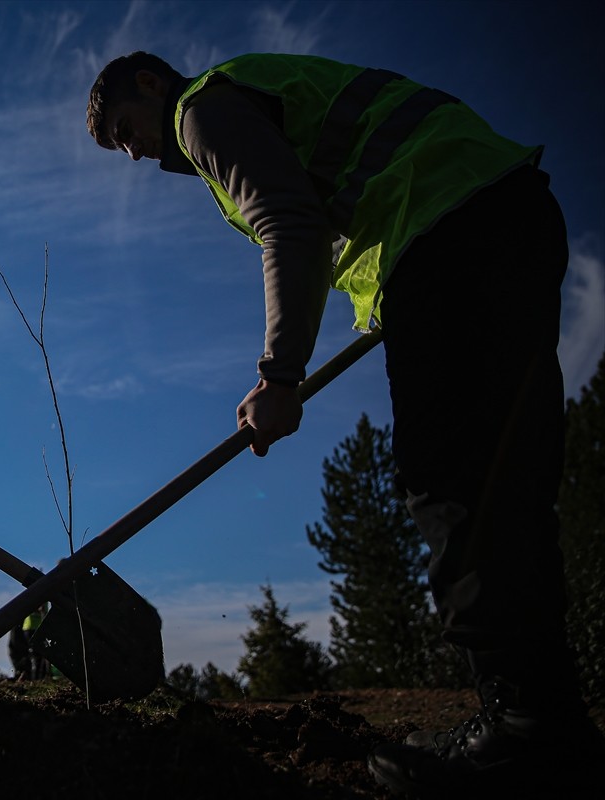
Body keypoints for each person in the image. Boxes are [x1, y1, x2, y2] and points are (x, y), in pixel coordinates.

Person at [86, 52, 601, 796]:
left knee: (456, 487)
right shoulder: (245, 103)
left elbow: (287, 222)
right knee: (505, 485)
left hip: (446, 233)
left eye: (126, 132)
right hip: (500, 212)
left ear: (148, 84)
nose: (133, 154)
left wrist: (279, 376)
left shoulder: (201, 110)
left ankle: (525, 735)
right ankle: (550, 727)